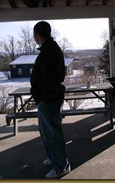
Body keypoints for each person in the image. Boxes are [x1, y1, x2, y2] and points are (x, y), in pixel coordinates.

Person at [30, 21, 70, 178]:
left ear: (37, 34)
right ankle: (54, 158)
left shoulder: (50, 51)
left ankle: (62, 165)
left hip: (49, 100)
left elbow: (52, 79)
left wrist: (44, 98)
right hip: (46, 99)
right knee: (46, 133)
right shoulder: (49, 49)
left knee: (53, 134)